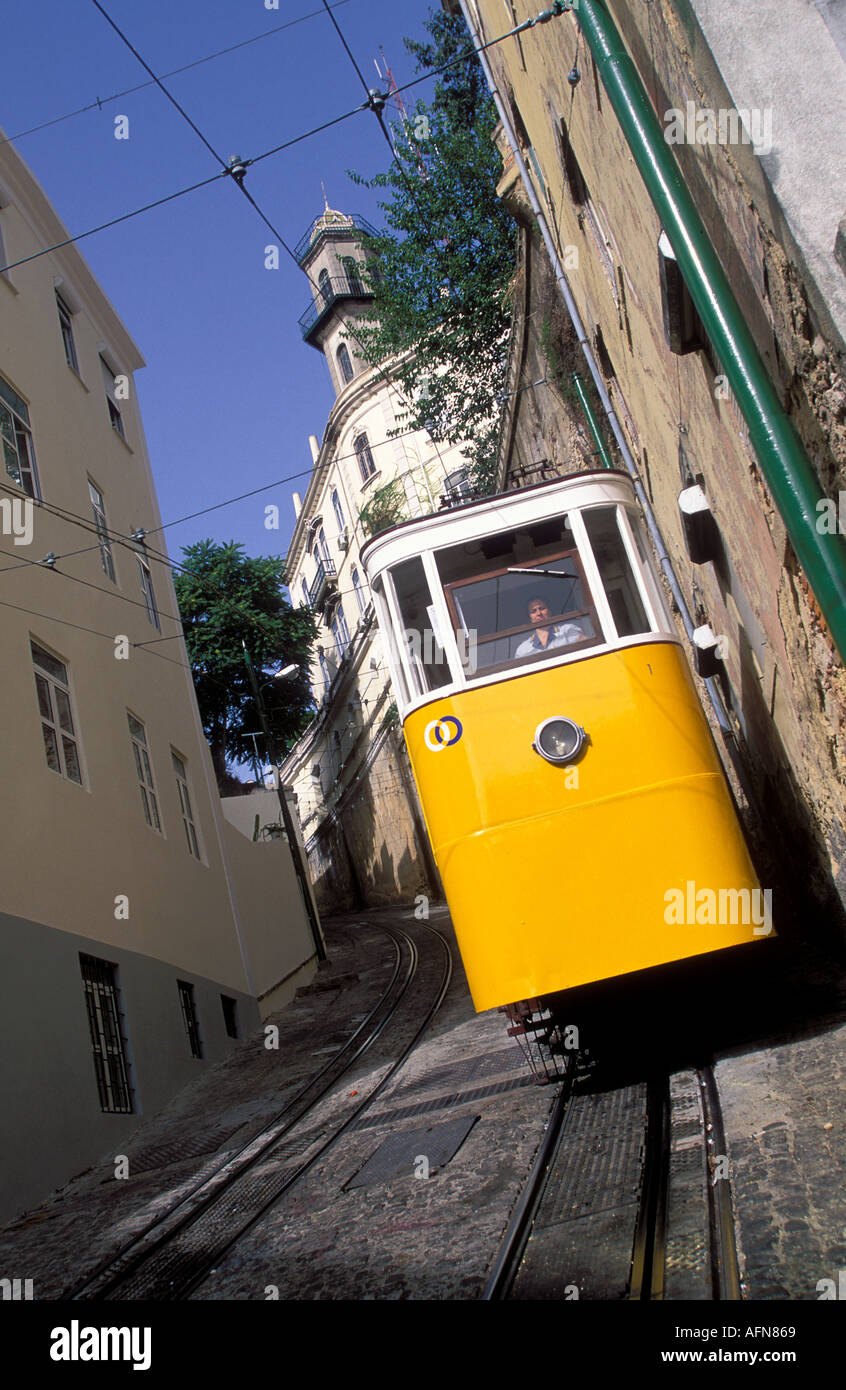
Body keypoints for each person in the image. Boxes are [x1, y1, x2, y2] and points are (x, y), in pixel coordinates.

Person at [514, 597, 588, 657]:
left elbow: (588, 651)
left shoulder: (567, 631)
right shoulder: (523, 650)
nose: (539, 613)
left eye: (541, 608)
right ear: (530, 618)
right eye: (533, 611)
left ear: (549, 611)